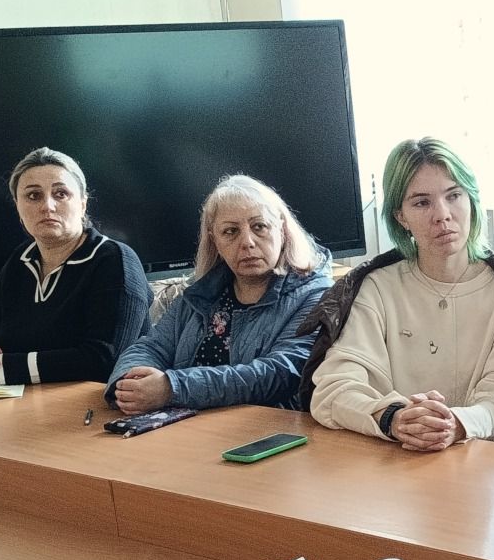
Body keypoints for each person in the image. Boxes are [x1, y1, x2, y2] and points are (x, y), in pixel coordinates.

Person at [300, 137, 494, 450]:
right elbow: (333, 389)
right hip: (392, 461)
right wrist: (394, 418)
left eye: (454, 195)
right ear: (401, 216)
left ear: (471, 200)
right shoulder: (377, 287)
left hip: (480, 463)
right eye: (421, 203)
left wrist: (455, 424)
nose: (442, 215)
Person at [106, 175, 330, 412]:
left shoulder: (316, 294)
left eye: (259, 226)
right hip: (186, 424)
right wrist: (130, 385)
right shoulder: (200, 293)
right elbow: (149, 347)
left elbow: (281, 373)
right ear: (215, 241)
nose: (247, 242)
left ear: (282, 230)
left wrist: (172, 389)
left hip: (267, 427)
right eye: (231, 231)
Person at [0, 147, 151, 384]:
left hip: (99, 400)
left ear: (83, 204)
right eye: (33, 196)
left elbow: (103, 360)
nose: (47, 206)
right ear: (17, 206)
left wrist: (1, 367)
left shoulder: (115, 260)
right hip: (27, 398)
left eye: (61, 194)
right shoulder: (21, 260)